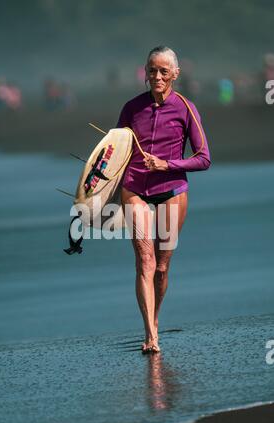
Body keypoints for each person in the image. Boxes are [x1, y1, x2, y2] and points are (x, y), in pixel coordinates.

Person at [116, 46, 211, 354]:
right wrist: (96, 180)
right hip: (135, 188)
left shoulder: (185, 108)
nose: (157, 76)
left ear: (175, 74)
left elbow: (203, 158)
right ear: (145, 71)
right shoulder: (132, 107)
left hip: (171, 189)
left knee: (161, 268)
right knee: (144, 260)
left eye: (163, 71)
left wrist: (169, 164)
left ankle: (156, 318)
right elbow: (114, 150)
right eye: (152, 70)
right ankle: (150, 334)